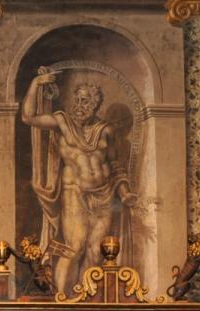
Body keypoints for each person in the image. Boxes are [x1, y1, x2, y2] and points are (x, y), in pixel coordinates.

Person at [21, 69, 136, 294]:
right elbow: (28, 117)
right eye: (78, 100)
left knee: (95, 251)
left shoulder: (107, 131)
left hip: (105, 196)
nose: (80, 105)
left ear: (95, 105)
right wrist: (36, 83)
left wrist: (124, 193)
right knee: (74, 247)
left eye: (86, 101)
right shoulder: (62, 122)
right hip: (74, 192)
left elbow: (115, 166)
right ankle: (61, 300)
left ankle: (84, 303)